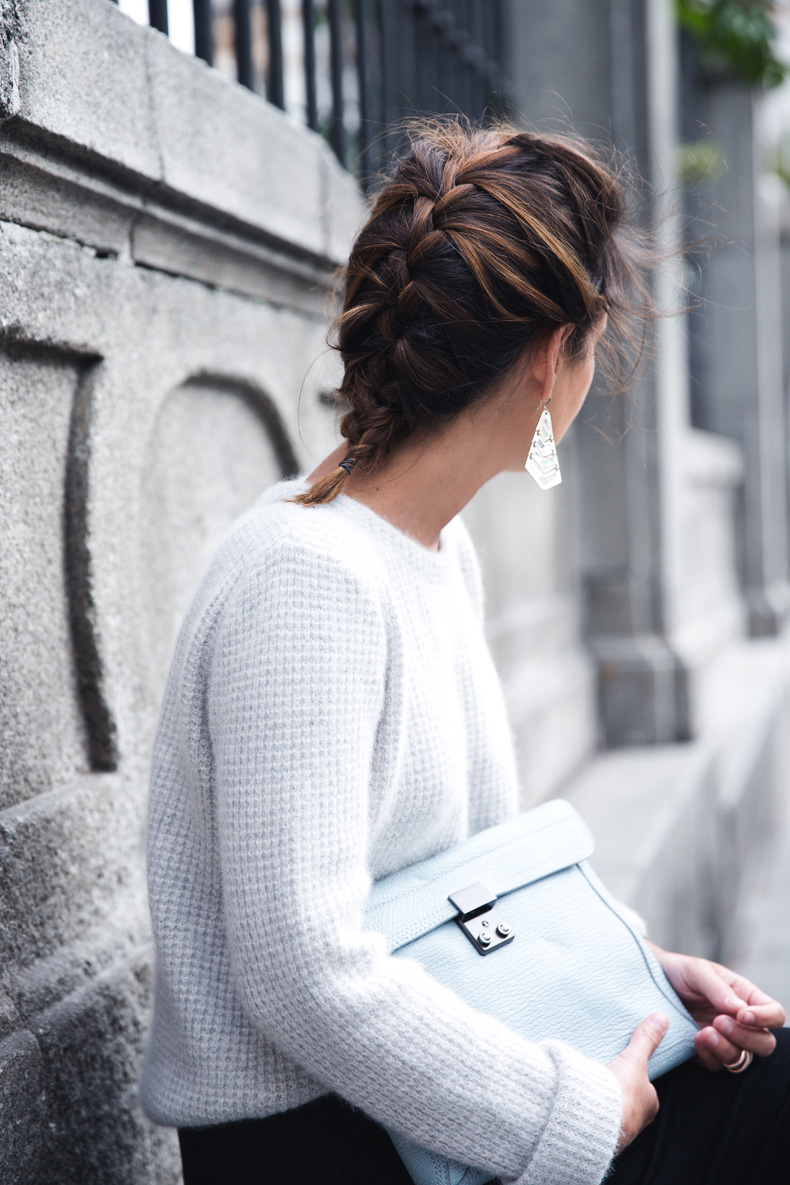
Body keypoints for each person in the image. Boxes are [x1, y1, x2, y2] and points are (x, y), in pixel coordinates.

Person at [138, 117, 788, 1185]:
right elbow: (301, 971)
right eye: (591, 344)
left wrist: (640, 977)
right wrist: (573, 1111)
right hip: (321, 1142)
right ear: (547, 363)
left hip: (412, 1088)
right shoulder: (304, 581)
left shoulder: (433, 551)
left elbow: (481, 887)